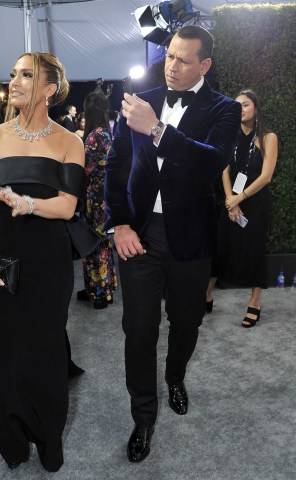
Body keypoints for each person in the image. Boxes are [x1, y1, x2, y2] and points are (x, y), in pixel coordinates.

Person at [104, 25, 241, 463]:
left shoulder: (224, 109)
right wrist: (119, 224)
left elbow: (210, 163)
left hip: (192, 239)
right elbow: (115, 164)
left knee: (186, 324)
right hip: (139, 235)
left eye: (184, 60)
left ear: (204, 65)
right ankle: (143, 418)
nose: (173, 66)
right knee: (138, 331)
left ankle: (176, 375)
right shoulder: (144, 98)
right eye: (170, 57)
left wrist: (158, 129)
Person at [0, 52, 85, 472]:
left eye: (27, 75)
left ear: (49, 89)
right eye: (14, 74)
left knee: (48, 349)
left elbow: (69, 208)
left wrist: (28, 203)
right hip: (2, 255)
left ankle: (48, 436)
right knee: (8, 347)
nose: (14, 81)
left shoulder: (71, 143)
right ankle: (11, 440)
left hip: (50, 260)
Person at [206, 89, 278, 327]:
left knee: (254, 252)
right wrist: (230, 201)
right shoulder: (231, 137)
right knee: (220, 248)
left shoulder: (268, 138)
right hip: (231, 203)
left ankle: (254, 302)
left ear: (256, 109)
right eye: (236, 106)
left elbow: (266, 176)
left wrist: (240, 198)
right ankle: (206, 295)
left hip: (255, 204)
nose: (240, 110)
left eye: (245, 105)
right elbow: (224, 170)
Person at [76, 92, 118, 309]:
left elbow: (84, 169)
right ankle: (103, 288)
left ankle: (99, 292)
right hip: (106, 197)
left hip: (94, 198)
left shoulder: (93, 136)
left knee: (93, 244)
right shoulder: (108, 134)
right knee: (103, 244)